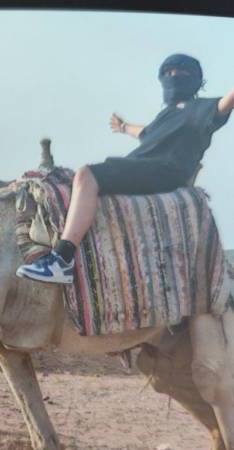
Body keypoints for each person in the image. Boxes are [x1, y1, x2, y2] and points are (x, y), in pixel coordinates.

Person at [16, 53, 234, 284]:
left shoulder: (203, 108)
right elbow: (146, 132)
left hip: (164, 171)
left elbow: (226, 102)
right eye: (168, 73)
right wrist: (123, 127)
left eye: (180, 72)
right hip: (143, 166)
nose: (173, 77)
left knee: (87, 175)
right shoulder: (166, 115)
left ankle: (62, 259)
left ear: (195, 79)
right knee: (64, 185)